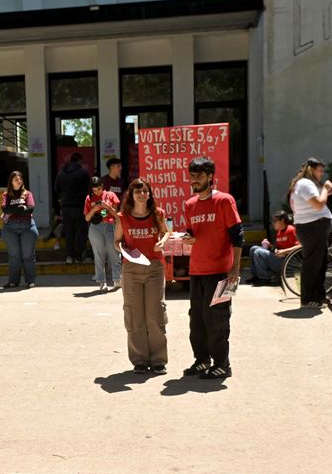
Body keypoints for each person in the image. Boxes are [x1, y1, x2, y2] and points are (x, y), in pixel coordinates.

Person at [177, 156, 243, 379]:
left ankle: (222, 364)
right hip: (197, 271)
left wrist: (235, 269)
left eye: (199, 175)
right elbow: (192, 232)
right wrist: (188, 238)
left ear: (210, 177)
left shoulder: (225, 201)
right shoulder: (189, 205)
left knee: (218, 319)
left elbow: (238, 236)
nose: (194, 180)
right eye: (192, 176)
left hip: (222, 272)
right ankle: (202, 361)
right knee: (197, 319)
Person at [114, 178, 169, 373]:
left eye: (145, 191)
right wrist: (124, 250)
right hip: (131, 270)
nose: (142, 194)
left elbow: (166, 232)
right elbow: (117, 241)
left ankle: (158, 360)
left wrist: (161, 242)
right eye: (138, 191)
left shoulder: (157, 213)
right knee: (134, 315)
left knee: (155, 313)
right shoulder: (123, 217)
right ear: (131, 194)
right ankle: (139, 360)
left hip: (154, 268)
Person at [289, 157, 332, 308]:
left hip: (313, 226)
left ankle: (318, 296)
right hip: (313, 227)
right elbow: (318, 204)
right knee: (313, 264)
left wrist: (326, 192)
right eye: (320, 170)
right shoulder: (305, 184)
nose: (322, 174)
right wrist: (325, 189)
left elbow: (314, 203)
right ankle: (308, 298)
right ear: (311, 169)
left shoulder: (304, 184)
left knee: (320, 263)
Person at [0, 170, 38, 289]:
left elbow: (30, 209)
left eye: (20, 179)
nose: (19, 181)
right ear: (11, 181)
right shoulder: (6, 195)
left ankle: (30, 280)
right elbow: (4, 209)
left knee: (28, 255)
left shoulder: (28, 194)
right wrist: (20, 208)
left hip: (27, 226)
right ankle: (13, 281)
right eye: (16, 179)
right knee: (14, 255)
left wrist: (14, 209)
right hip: (10, 228)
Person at [84, 176, 122, 290]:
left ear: (102, 186)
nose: (97, 192)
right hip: (95, 227)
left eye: (99, 189)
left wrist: (107, 207)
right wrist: (94, 209)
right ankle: (101, 282)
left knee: (114, 252)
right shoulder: (89, 198)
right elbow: (87, 218)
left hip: (110, 225)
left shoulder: (110, 195)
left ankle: (117, 279)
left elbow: (116, 214)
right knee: (98, 255)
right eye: (94, 190)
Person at [54, 152, 91, 263]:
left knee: (69, 231)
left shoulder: (61, 173)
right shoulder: (83, 172)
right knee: (81, 231)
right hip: (80, 206)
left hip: (65, 207)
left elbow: (56, 188)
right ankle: (79, 256)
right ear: (79, 161)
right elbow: (88, 189)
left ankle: (69, 256)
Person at [248, 212, 299, 285]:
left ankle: (264, 278)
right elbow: (278, 249)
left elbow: (299, 246)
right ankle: (256, 276)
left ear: (282, 220)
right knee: (253, 248)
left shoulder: (291, 229)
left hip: (288, 262)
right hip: (279, 258)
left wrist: (284, 251)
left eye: (275, 221)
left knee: (258, 252)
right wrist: (270, 245)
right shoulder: (279, 231)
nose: (273, 223)